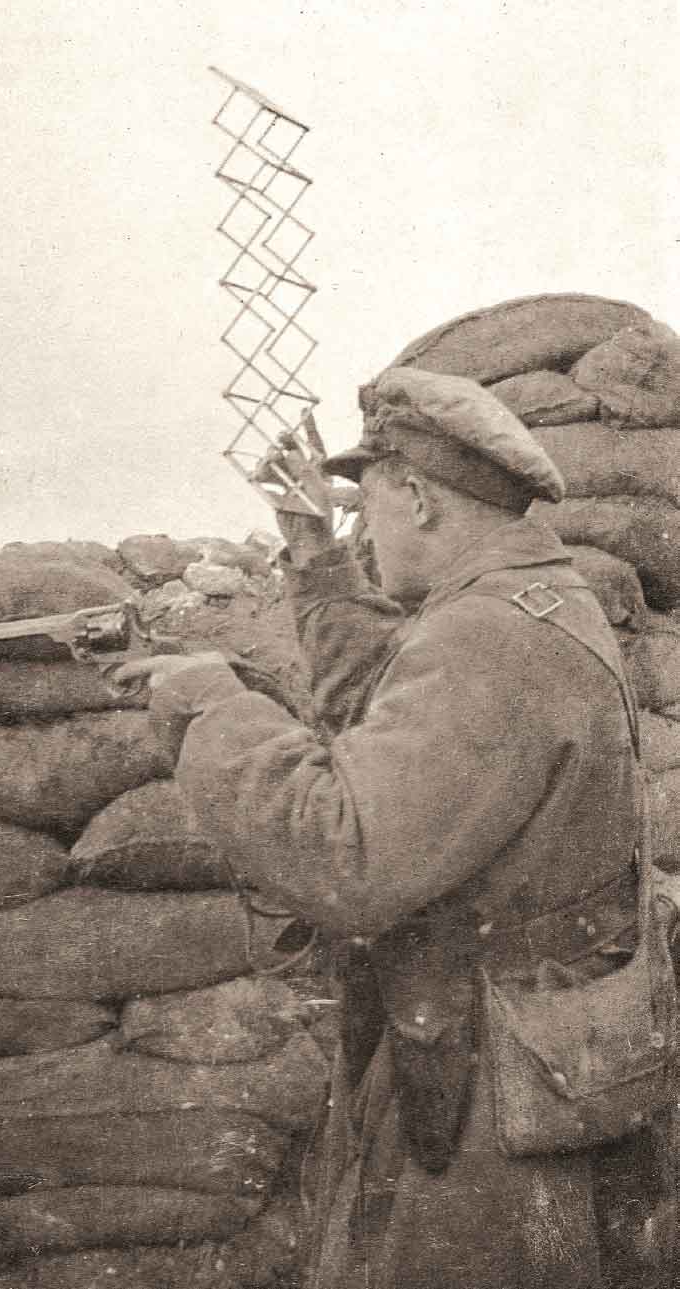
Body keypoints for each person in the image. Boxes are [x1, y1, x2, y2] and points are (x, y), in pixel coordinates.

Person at [113, 366, 676, 1288]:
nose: (360, 529)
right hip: (532, 1044)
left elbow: (349, 856)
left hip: (487, 1079)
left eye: (362, 507)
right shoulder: (528, 597)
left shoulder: (483, 637)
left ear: (414, 495)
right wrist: (316, 559)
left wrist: (213, 709)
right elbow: (396, 696)